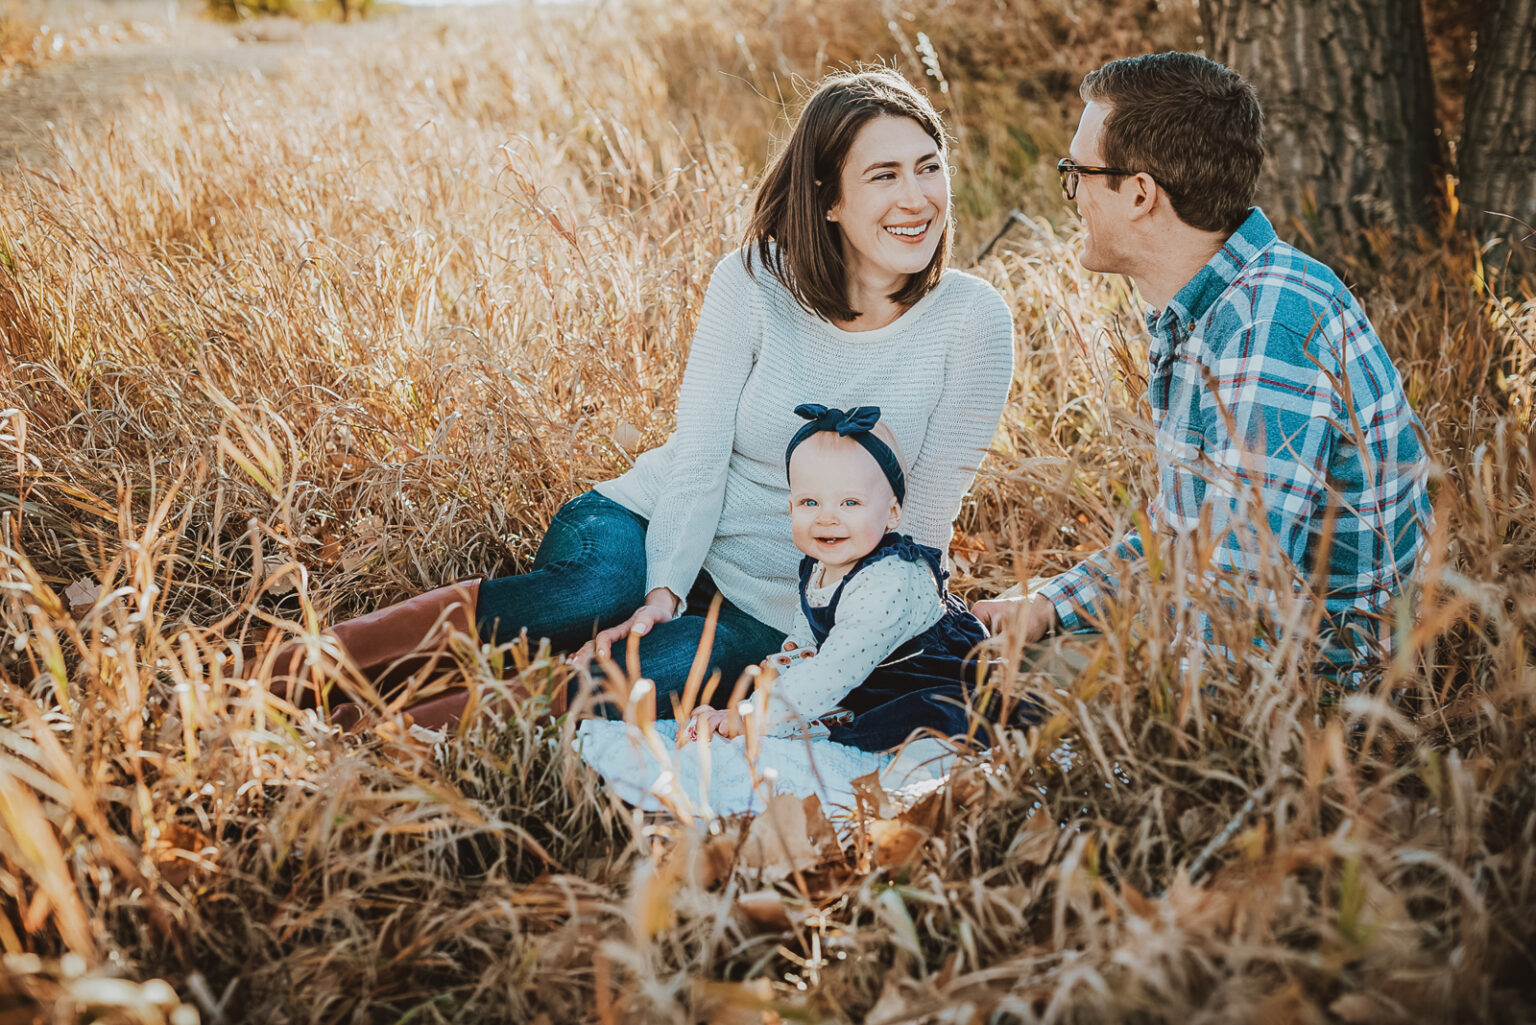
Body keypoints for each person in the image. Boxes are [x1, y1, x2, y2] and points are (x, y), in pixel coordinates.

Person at [270, 67, 1015, 727]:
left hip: (778, 606)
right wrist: (661, 591)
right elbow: (699, 455)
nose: (917, 198)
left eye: (929, 167)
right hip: (652, 522)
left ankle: (373, 746)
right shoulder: (756, 280)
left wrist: (845, 638)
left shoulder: (972, 322)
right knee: (594, 593)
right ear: (827, 199)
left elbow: (924, 524)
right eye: (884, 175)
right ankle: (276, 681)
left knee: (648, 672)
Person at [972, 52, 1431, 681]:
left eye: (1076, 171)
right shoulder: (1219, 305)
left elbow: (1236, 618)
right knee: (985, 651)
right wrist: (1051, 606)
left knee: (979, 684)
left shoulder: (1267, 333)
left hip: (1321, 692)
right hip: (1242, 651)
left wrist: (1128, 697)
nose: (1072, 193)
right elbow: (1189, 535)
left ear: (1140, 194)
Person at [575, 403, 1014, 816]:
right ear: (790, 507)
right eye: (810, 502)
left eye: (850, 503)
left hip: (931, 682)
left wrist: (749, 717)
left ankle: (917, 806)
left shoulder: (889, 582)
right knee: (803, 716)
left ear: (893, 513)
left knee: (924, 753)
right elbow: (808, 641)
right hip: (869, 677)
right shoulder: (820, 566)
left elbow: (831, 672)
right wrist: (770, 682)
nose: (827, 518)